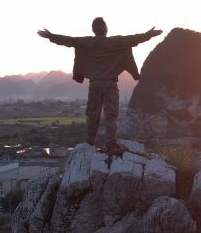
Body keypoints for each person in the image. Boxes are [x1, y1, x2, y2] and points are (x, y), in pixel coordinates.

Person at [37, 17, 162, 153]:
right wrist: (148, 35)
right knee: (111, 115)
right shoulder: (115, 42)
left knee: (93, 114)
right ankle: (111, 143)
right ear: (106, 29)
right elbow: (132, 39)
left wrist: (50, 36)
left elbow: (69, 40)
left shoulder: (86, 42)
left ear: (93, 30)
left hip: (94, 84)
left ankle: (90, 142)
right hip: (110, 84)